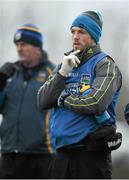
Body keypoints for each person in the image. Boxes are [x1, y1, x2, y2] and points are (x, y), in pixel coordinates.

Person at [37, 11, 122, 179]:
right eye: (73, 31)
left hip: (90, 157)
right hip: (61, 156)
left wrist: (63, 99)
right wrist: (62, 73)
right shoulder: (65, 64)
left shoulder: (105, 64)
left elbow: (96, 102)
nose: (75, 36)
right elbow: (42, 101)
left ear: (94, 35)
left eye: (81, 32)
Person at [0, 24, 55, 179]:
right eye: (17, 45)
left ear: (37, 46)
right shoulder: (9, 73)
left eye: (24, 44)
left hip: (42, 156)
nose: (19, 49)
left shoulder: (53, 73)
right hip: (9, 153)